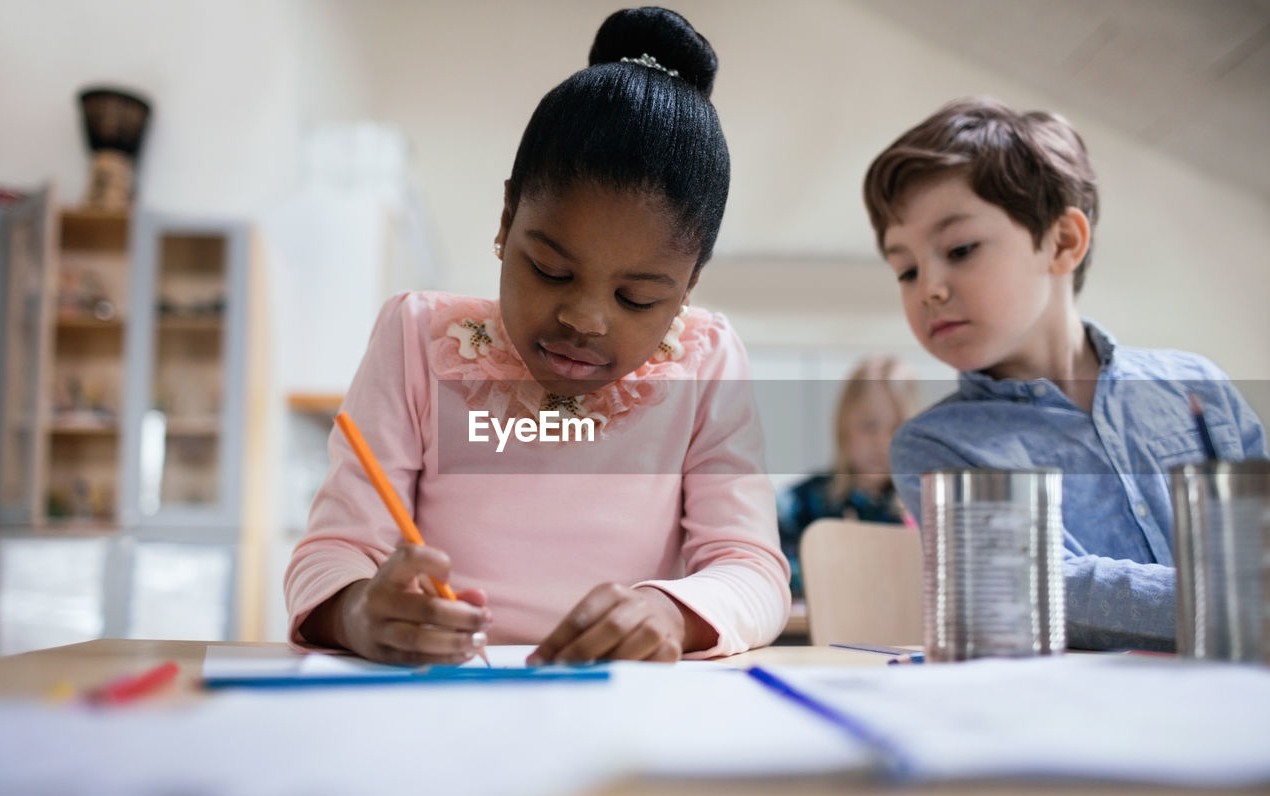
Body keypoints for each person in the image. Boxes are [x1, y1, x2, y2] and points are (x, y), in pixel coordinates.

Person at [286, 7, 789, 666]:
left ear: (688, 285)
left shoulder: (706, 361)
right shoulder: (419, 339)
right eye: (551, 269)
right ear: (506, 220)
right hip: (440, 703)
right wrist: (357, 609)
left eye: (637, 297)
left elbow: (753, 569)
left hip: (622, 714)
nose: (583, 318)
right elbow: (331, 552)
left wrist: (671, 611)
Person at [862, 96, 1268, 651]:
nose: (928, 287)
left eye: (959, 249)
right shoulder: (934, 445)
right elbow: (1043, 588)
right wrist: (1236, 599)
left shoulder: (1196, 384)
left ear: (1063, 243)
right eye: (905, 269)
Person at [777, 355, 916, 597]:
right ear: (844, 428)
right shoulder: (798, 505)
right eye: (868, 427)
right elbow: (776, 574)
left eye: (895, 428)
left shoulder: (920, 510)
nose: (881, 443)